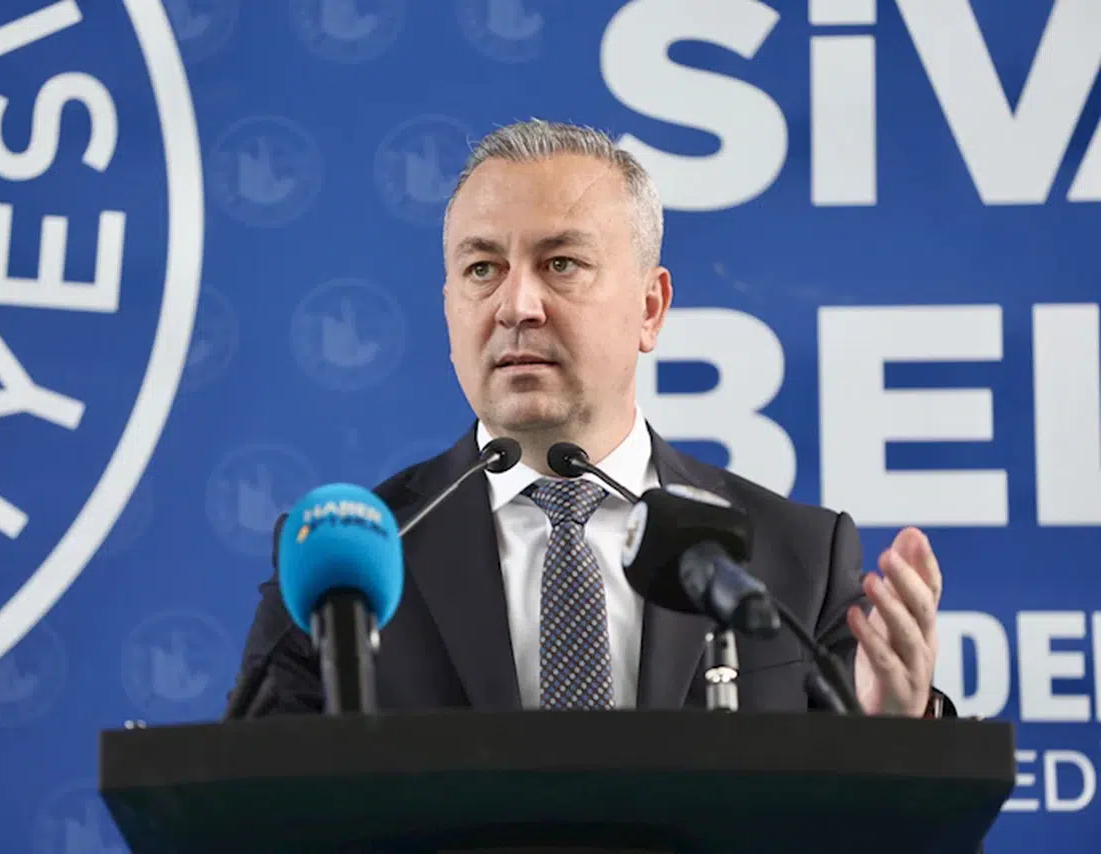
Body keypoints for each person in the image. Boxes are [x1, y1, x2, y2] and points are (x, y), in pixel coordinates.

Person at [226, 119, 954, 722]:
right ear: (449, 308)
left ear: (650, 308)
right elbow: (247, 810)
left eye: (561, 264)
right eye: (482, 269)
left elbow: (882, 812)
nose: (517, 307)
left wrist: (897, 738)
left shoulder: (796, 562)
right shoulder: (344, 565)